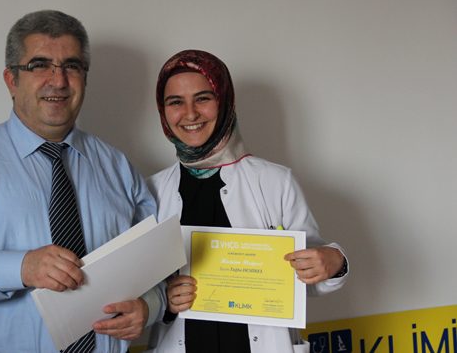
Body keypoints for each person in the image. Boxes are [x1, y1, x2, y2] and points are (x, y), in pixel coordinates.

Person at [0, 10, 164, 353]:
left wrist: (150, 306)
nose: (58, 80)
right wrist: (22, 267)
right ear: (11, 80)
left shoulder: (118, 167)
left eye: (72, 66)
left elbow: (154, 261)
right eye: (40, 65)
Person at [145, 50, 349, 353]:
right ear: (163, 112)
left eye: (203, 98)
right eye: (176, 102)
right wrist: (164, 299)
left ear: (224, 101)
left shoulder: (275, 181)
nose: (190, 113)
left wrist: (334, 262)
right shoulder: (151, 191)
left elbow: (310, 278)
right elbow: (137, 290)